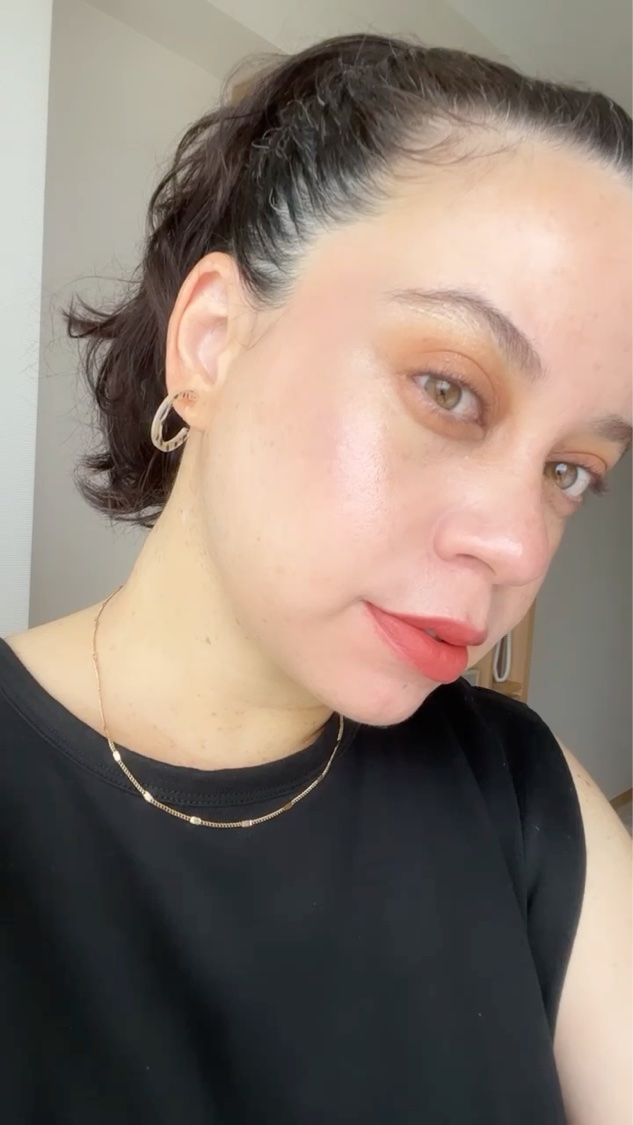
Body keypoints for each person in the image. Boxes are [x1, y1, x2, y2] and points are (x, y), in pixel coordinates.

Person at [1, 31, 631, 1125]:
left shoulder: (524, 794)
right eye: (448, 388)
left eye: (571, 470)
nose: (521, 548)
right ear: (211, 342)